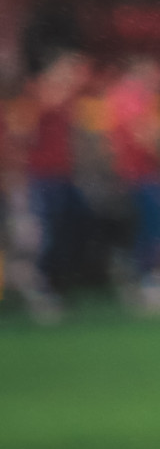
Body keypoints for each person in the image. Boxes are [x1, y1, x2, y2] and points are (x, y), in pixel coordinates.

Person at [6, 51, 93, 322]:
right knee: (40, 236)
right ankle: (38, 290)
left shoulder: (65, 98)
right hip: (38, 177)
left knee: (62, 232)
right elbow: (19, 132)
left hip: (60, 176)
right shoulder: (37, 94)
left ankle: (54, 288)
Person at [101, 56, 160, 315]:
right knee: (151, 231)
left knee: (145, 231)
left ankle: (145, 279)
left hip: (138, 175)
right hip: (141, 176)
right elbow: (145, 137)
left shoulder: (125, 97)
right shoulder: (133, 98)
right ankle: (150, 282)